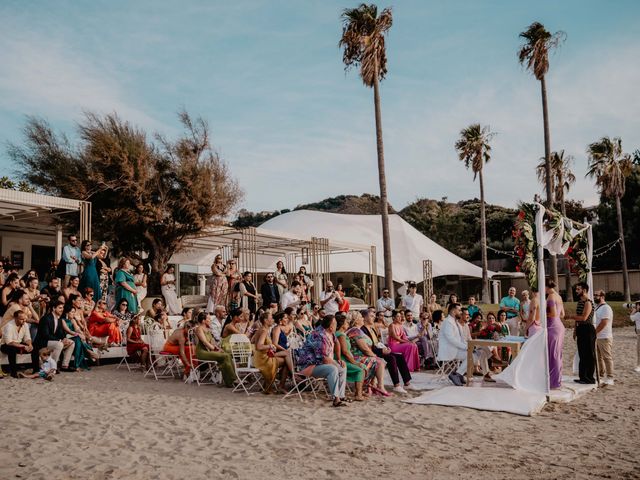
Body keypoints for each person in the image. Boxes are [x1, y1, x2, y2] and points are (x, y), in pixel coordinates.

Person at [295, 315, 348, 407]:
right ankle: (336, 399)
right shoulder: (319, 335)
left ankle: (341, 395)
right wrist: (335, 363)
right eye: (335, 324)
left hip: (320, 364)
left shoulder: (330, 332)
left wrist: (339, 359)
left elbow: (337, 342)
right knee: (333, 369)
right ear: (330, 326)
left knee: (342, 367)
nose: (336, 326)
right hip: (310, 366)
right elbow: (323, 358)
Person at [347, 311, 390, 396]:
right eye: (360, 317)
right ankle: (379, 386)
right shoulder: (355, 331)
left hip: (362, 355)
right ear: (356, 320)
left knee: (378, 360)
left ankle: (372, 386)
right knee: (379, 361)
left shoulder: (359, 330)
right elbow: (364, 348)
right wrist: (374, 355)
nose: (363, 319)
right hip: (356, 357)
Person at [251, 311, 293, 393]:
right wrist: (270, 346)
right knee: (286, 361)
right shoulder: (264, 331)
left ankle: (270, 384)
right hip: (263, 359)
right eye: (271, 318)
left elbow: (252, 340)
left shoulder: (262, 329)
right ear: (266, 320)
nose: (273, 320)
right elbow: (259, 346)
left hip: (260, 357)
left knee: (287, 357)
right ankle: (290, 378)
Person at [194, 311, 235, 387]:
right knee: (225, 356)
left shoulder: (208, 329)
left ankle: (229, 381)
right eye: (209, 319)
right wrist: (215, 350)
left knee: (227, 355)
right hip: (202, 352)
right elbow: (205, 342)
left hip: (209, 351)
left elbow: (212, 342)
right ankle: (233, 379)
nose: (210, 321)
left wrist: (218, 348)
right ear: (203, 321)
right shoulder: (199, 329)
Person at [32, 300, 75, 373]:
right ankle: (51, 367)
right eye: (60, 308)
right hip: (42, 342)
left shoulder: (59, 319)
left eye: (62, 308)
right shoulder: (46, 318)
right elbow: (45, 335)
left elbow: (60, 333)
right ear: (54, 308)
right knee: (59, 344)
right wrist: (60, 340)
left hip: (52, 342)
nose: (62, 310)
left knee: (71, 342)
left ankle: (64, 365)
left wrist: (64, 339)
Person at [565, 282, 596, 385]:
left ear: (584, 290)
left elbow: (584, 317)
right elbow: (578, 318)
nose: (576, 291)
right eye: (576, 289)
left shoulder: (588, 302)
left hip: (588, 329)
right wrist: (575, 330)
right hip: (581, 329)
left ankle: (590, 378)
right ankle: (583, 377)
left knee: (589, 355)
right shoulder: (580, 302)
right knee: (582, 354)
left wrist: (570, 316)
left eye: (578, 289)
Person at [334, 313, 367, 401]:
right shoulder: (340, 335)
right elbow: (345, 352)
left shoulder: (341, 334)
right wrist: (355, 362)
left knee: (362, 366)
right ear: (342, 325)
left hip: (345, 359)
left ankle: (358, 392)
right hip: (341, 360)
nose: (348, 324)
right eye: (346, 322)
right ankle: (358, 394)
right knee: (361, 368)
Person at [60, 301, 98, 370]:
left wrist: (82, 334)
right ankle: (88, 351)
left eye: (74, 312)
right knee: (78, 339)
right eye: (72, 312)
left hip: (75, 337)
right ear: (67, 312)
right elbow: (68, 331)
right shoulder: (62, 320)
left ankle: (77, 365)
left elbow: (77, 329)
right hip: (67, 337)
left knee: (78, 340)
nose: (73, 314)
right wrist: (78, 335)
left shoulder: (73, 320)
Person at [438, 303, 467, 386]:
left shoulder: (456, 322)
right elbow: (451, 339)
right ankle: (457, 375)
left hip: (456, 349)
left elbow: (461, 339)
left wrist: (469, 346)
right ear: (454, 311)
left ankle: (458, 374)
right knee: (472, 356)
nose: (461, 312)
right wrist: (465, 347)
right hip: (449, 350)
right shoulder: (448, 322)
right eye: (459, 310)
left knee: (476, 354)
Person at [545, 280, 565, 389]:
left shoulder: (551, 297)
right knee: (557, 354)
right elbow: (562, 314)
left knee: (553, 355)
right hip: (559, 326)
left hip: (553, 328)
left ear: (546, 286)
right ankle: (557, 380)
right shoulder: (559, 297)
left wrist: (542, 312)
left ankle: (553, 382)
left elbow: (552, 313)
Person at [1, 310, 34, 378]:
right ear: (15, 318)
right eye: (21, 319)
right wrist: (23, 346)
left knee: (35, 347)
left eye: (25, 318)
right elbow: (9, 342)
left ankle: (36, 370)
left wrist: (30, 345)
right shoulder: (9, 326)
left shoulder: (25, 325)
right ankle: (14, 372)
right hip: (6, 345)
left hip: (18, 344)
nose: (24, 320)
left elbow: (27, 338)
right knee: (12, 349)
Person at [593, 290, 614, 385]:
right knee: (598, 357)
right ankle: (601, 375)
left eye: (596, 295)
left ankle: (610, 377)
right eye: (594, 295)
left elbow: (604, 322)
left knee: (606, 357)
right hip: (598, 336)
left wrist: (594, 332)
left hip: (604, 336)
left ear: (602, 296)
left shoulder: (606, 308)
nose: (594, 297)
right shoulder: (597, 307)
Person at [630, 302, 640, 373]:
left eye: (637, 305)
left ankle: (639, 366)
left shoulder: (638, 314)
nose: (636, 306)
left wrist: (633, 312)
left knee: (639, 350)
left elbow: (631, 318)